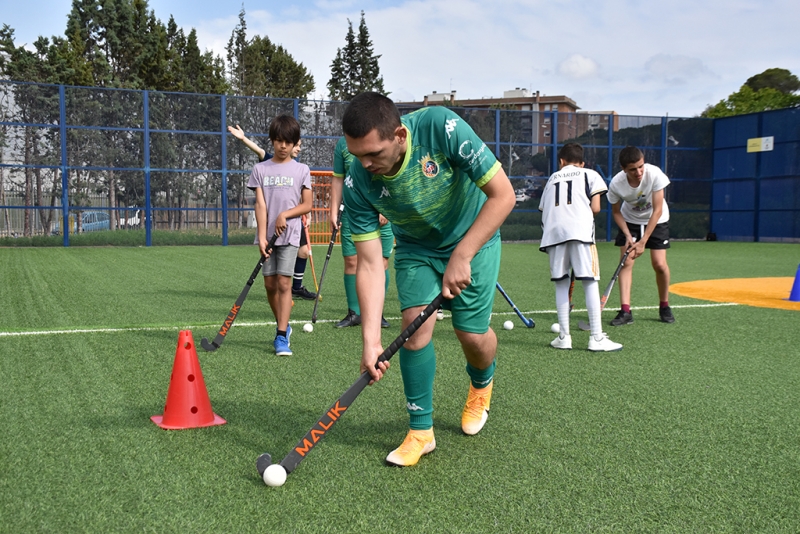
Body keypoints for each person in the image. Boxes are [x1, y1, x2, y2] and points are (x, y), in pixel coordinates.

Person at [341, 92, 516, 467]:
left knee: (471, 335)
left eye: (373, 154)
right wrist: (370, 343)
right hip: (416, 247)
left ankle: (482, 382)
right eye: (357, 155)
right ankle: (421, 431)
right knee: (414, 328)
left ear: (400, 136)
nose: (365, 164)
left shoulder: (442, 127)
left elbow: (503, 195)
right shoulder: (359, 181)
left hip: (474, 237)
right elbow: (371, 265)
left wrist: (463, 253)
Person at [538, 143, 622, 352]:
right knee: (590, 281)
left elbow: (544, 209)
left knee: (560, 284)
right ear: (582, 163)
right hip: (580, 234)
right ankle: (596, 338)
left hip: (552, 234)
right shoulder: (590, 174)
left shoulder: (550, 180)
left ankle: (564, 337)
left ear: (561, 162)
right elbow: (596, 207)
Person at [246, 115, 312, 356]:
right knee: (270, 285)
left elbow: (307, 205)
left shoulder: (302, 170)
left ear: (295, 143)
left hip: (291, 234)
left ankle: (281, 335)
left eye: (288, 142)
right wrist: (262, 236)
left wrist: (286, 214)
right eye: (279, 141)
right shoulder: (260, 169)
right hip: (267, 236)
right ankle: (284, 324)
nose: (283, 146)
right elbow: (260, 205)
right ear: (272, 141)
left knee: (284, 283)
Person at [229, 124, 317, 301]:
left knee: (304, 251)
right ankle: (291, 290)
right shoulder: (268, 164)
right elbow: (260, 151)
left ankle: (295, 288)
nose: (296, 148)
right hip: (273, 225)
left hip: (292, 220)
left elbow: (300, 199)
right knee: (273, 279)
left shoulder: (299, 169)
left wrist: (305, 214)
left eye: (296, 144)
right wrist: (243, 138)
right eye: (296, 145)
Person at [606, 145, 675, 325]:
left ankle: (664, 306)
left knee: (659, 264)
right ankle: (625, 311)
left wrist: (643, 241)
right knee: (626, 262)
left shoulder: (655, 174)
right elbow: (616, 212)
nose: (638, 172)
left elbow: (658, 210)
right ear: (624, 169)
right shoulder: (616, 184)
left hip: (657, 220)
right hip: (630, 219)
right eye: (632, 169)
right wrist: (628, 235)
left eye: (640, 166)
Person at [330, 136, 393, 329]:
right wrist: (333, 210)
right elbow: (338, 178)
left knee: (381, 261)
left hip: (383, 211)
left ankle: (377, 312)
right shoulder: (343, 144)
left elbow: (392, 174)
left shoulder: (383, 141)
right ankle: (354, 312)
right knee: (351, 260)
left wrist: (387, 209)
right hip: (353, 211)